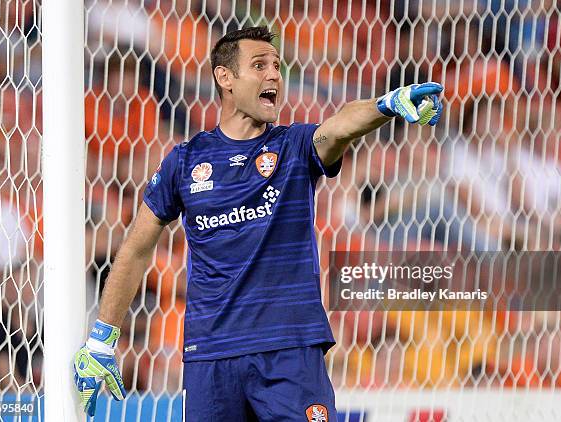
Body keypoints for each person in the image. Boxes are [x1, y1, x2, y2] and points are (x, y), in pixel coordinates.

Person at [73, 26, 443, 421]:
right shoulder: (185, 161)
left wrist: (389, 103)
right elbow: (137, 246)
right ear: (225, 78)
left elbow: (339, 125)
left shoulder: (294, 146)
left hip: (289, 350)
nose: (274, 76)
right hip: (211, 355)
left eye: (277, 67)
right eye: (260, 65)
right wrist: (102, 338)